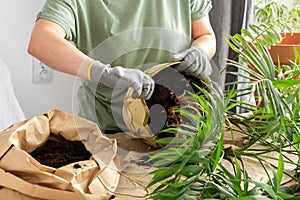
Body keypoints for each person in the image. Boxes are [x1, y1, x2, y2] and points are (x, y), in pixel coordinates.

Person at [28, 0, 216, 134]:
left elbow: (206, 35)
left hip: (176, 123)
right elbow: (41, 40)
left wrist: (200, 51)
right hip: (107, 126)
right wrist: (103, 73)